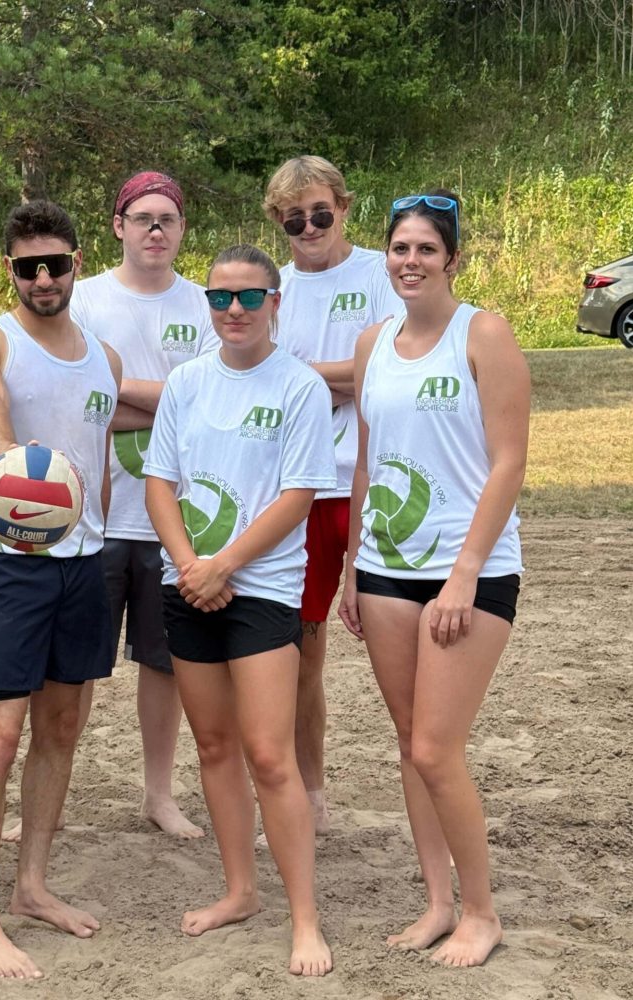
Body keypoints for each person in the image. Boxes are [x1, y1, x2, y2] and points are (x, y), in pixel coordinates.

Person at [338, 191, 529, 967]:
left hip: (468, 573)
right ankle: (437, 902)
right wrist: (354, 565)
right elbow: (364, 460)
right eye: (399, 248)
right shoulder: (371, 342)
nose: (410, 261)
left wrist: (464, 574)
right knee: (410, 747)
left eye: (425, 248)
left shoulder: (483, 332)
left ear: (452, 258)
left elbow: (509, 461)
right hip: (385, 568)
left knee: (438, 748)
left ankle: (481, 912)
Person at [144, 244, 336, 976]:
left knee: (269, 755)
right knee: (216, 748)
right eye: (220, 298)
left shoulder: (299, 389)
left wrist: (226, 564)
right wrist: (192, 564)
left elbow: (297, 497)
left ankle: (305, 918)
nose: (233, 310)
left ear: (275, 304)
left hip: (260, 590)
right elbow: (160, 483)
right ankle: (239, 890)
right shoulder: (187, 383)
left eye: (249, 298)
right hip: (188, 584)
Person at [0, 200, 122, 979]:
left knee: (61, 730)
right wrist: (19, 474)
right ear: (9, 269)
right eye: (28, 267)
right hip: (7, 558)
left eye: (56, 262)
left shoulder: (104, 357)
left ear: (78, 261)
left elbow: (105, 454)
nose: (43, 277)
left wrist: (92, 529)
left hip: (84, 563)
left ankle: (32, 886)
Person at [66, 170, 217, 840]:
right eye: (143, 218)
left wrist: (117, 395)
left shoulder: (207, 304)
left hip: (174, 521)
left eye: (168, 219)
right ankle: (54, 794)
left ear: (183, 229)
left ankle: (159, 794)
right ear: (118, 226)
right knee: (74, 666)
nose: (156, 230)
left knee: (165, 664)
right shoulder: (83, 300)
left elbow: (209, 404)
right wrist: (166, 401)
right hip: (91, 516)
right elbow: (75, 400)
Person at [261, 155, 403, 833]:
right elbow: (265, 376)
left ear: (345, 207)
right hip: (303, 485)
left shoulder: (381, 272)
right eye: (295, 218)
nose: (310, 226)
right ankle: (311, 789)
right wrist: (335, 376)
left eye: (321, 212)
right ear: (277, 221)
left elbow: (383, 368)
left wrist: (295, 375)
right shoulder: (273, 288)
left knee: (397, 642)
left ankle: (423, 772)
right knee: (302, 647)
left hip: (374, 480)